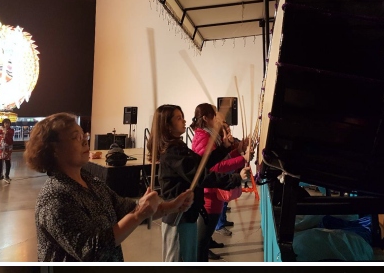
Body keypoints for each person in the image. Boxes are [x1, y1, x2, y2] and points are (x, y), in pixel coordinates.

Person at [27, 113, 193, 262]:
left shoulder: (91, 181)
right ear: (54, 149)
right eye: (75, 137)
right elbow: (91, 251)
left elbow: (127, 210)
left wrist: (171, 207)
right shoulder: (55, 197)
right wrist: (138, 215)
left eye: (84, 135)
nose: (85, 140)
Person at [155, 104, 243, 262]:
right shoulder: (172, 152)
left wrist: (224, 148)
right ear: (167, 126)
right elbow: (201, 175)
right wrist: (235, 179)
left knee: (190, 259)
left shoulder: (178, 147)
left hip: (187, 214)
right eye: (179, 118)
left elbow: (202, 163)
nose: (184, 120)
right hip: (178, 216)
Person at [190, 104, 250, 261]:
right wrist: (242, 159)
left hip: (213, 192)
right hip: (208, 194)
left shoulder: (209, 136)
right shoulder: (203, 137)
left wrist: (238, 151)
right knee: (201, 243)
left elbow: (220, 159)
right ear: (206, 118)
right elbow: (215, 168)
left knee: (204, 239)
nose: (218, 117)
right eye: (215, 114)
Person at [0, 119, 15, 183]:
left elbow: (10, 136)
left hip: (8, 149)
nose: (6, 124)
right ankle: (0, 175)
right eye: (5, 123)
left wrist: (5, 132)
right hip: (0, 149)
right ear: (3, 124)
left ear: (10, 124)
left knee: (7, 161)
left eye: (8, 123)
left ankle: (7, 175)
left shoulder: (11, 130)